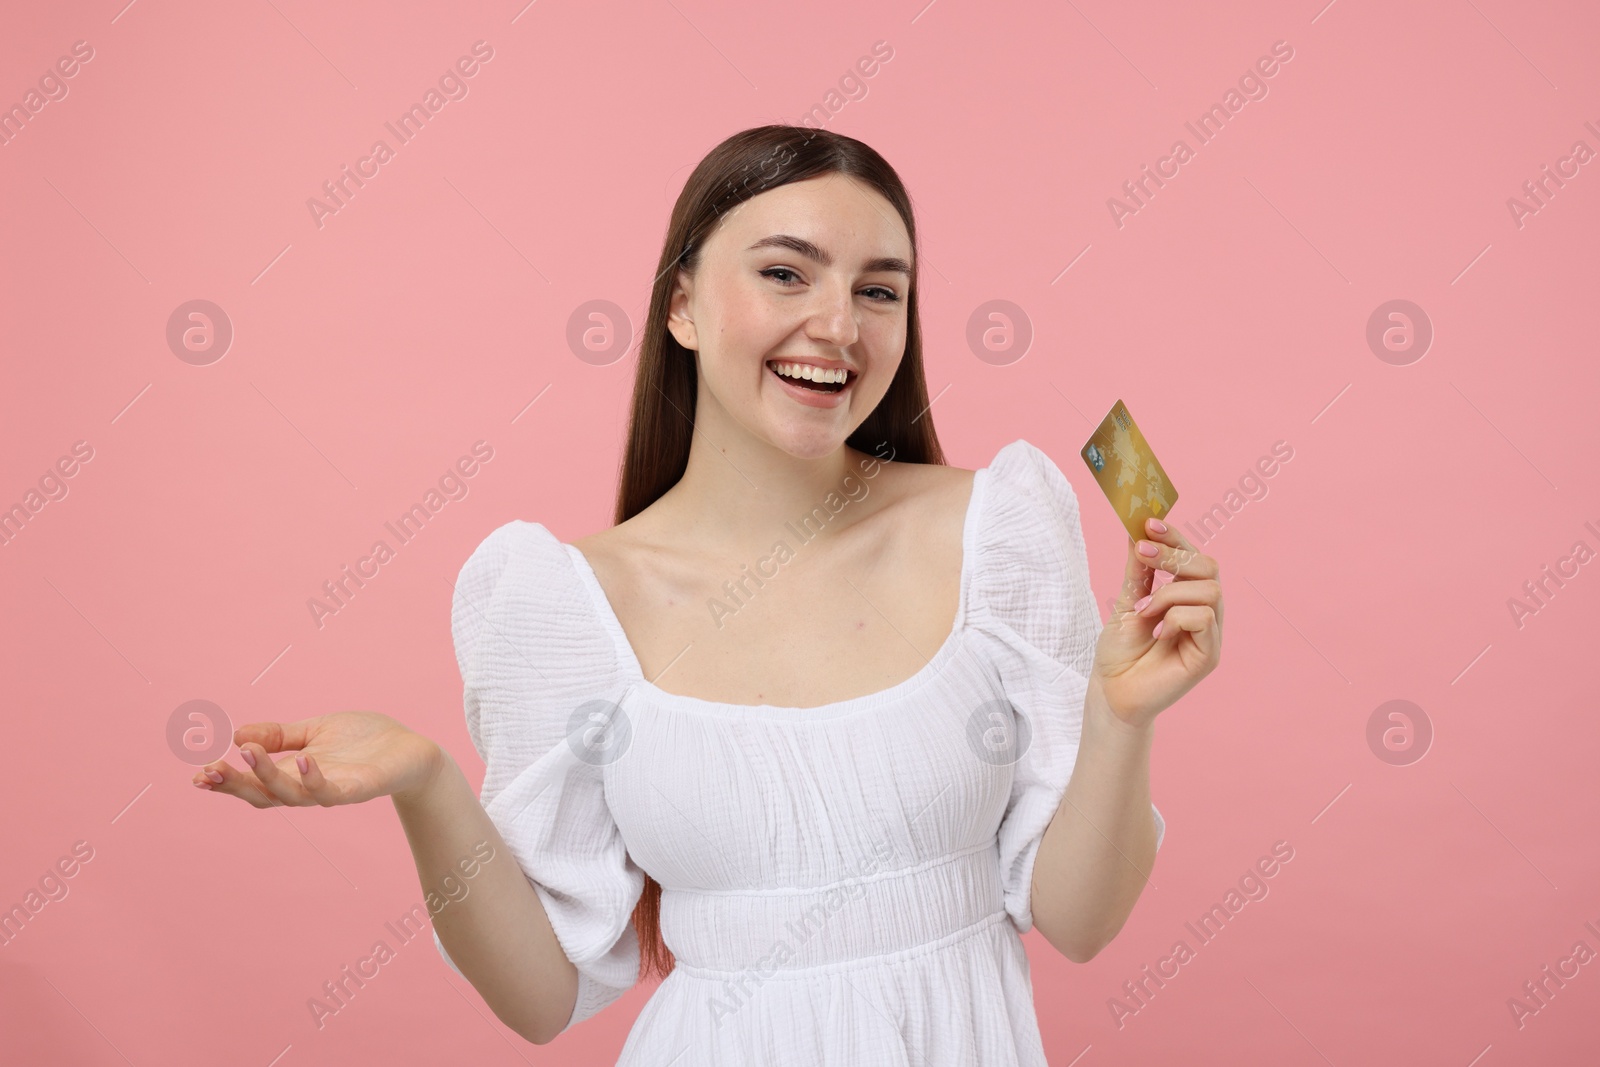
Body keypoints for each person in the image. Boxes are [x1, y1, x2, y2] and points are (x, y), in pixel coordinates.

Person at [192, 125, 1224, 1064]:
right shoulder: (563, 602)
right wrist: (424, 782)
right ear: (680, 304)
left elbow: (1078, 918)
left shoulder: (999, 526)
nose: (838, 324)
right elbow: (543, 994)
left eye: (880, 290)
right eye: (786, 273)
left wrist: (1118, 715)